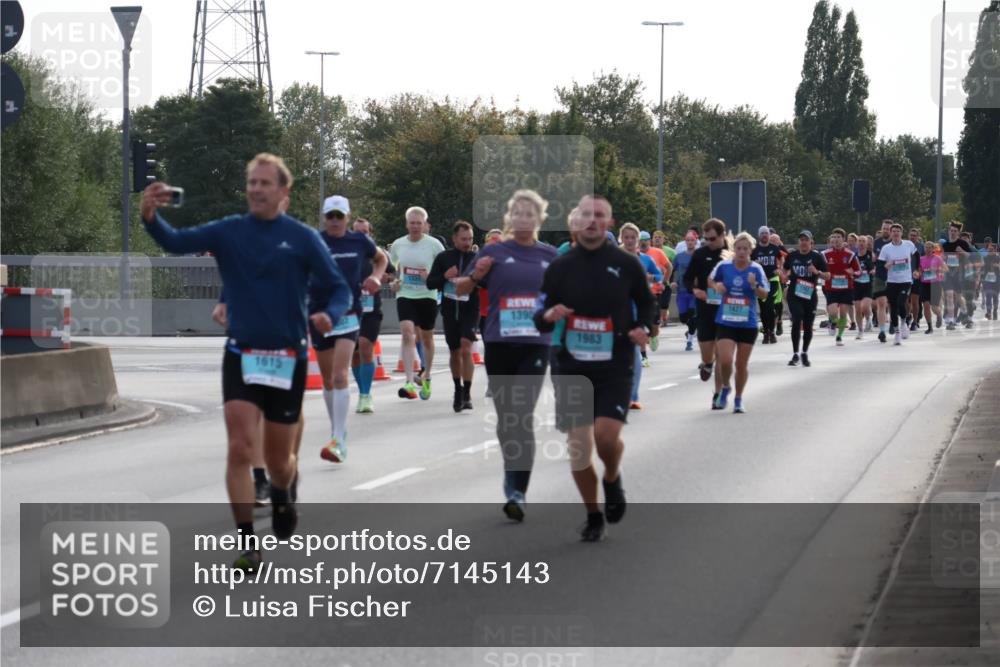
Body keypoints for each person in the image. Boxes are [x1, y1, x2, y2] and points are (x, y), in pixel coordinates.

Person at [140, 154, 352, 571]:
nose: (256, 189)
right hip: (241, 354)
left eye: (264, 183)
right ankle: (248, 544)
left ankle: (283, 491)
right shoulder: (229, 230)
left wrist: (330, 313)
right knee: (239, 447)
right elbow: (176, 242)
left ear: (283, 191)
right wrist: (150, 216)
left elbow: (338, 287)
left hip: (287, 356)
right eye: (252, 182)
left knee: (278, 462)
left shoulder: (302, 238)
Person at [534, 194, 657, 542]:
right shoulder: (560, 266)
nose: (591, 220)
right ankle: (593, 514)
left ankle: (612, 478)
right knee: (578, 449)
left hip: (614, 364)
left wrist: (643, 327)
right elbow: (540, 312)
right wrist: (548, 315)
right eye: (586, 214)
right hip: (572, 365)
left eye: (599, 215)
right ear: (576, 222)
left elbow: (646, 302)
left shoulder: (626, 263)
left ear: (609, 223)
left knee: (605, 438)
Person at [454, 190, 558, 522]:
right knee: (506, 419)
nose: (523, 218)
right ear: (510, 218)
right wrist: (475, 276)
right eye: (518, 213)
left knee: (521, 416)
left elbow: (569, 293)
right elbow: (460, 289)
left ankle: (517, 491)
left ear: (539, 219)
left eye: (530, 214)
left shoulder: (550, 256)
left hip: (536, 344)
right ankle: (511, 468)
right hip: (499, 342)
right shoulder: (493, 252)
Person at [312, 196, 386, 464]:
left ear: (347, 217)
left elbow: (381, 259)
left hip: (349, 314)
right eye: (330, 216)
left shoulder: (359, 241)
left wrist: (375, 277)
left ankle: (338, 440)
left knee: (340, 374)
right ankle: (338, 428)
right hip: (319, 315)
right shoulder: (314, 241)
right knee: (327, 380)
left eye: (339, 216)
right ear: (324, 217)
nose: (334, 221)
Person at [707, 232, 770, 413]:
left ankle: (738, 398)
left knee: (741, 365)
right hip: (726, 321)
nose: (742, 252)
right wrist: (716, 286)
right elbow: (710, 280)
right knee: (725, 360)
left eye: (745, 249)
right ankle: (726, 387)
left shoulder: (756, 269)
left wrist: (754, 285)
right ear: (734, 249)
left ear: (751, 250)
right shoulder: (724, 266)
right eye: (739, 248)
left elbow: (764, 294)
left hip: (747, 324)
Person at [389, 207, 445, 400]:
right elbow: (391, 269)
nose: (415, 226)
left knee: (427, 338)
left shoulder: (434, 245)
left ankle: (427, 376)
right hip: (405, 294)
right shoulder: (398, 244)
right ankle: (408, 382)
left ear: (425, 224)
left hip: (427, 295)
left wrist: (431, 277)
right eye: (412, 223)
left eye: (418, 223)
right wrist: (393, 282)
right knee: (407, 334)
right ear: (407, 224)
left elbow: (444, 270)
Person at [426, 220, 480, 412]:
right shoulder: (444, 258)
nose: (467, 243)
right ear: (455, 238)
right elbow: (430, 283)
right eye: (464, 239)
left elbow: (488, 283)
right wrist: (445, 276)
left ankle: (467, 392)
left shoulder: (477, 258)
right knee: (455, 351)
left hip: (470, 310)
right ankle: (457, 389)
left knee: (466, 347)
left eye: (470, 239)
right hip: (450, 310)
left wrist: (474, 279)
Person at [683, 219, 729, 408]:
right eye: (706, 238)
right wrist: (695, 290)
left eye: (712, 238)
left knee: (722, 354)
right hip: (705, 309)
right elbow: (687, 279)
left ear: (722, 235)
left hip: (726, 310)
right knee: (708, 353)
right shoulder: (700, 254)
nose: (709, 242)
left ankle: (718, 394)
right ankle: (707, 363)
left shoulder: (731, 254)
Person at [351, 217, 395, 414]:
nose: (361, 236)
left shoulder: (379, 254)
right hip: (350, 310)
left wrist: (386, 278)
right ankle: (362, 391)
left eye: (364, 232)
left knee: (366, 347)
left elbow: (392, 274)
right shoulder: (346, 253)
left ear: (371, 234)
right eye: (357, 232)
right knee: (354, 354)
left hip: (371, 310)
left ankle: (366, 394)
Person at [622, 223, 663, 409]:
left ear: (638, 240)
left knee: (635, 354)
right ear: (622, 239)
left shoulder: (646, 260)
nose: (630, 241)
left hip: (637, 310)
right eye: (626, 237)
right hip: (616, 309)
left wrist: (650, 279)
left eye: (633, 237)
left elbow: (659, 276)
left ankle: (633, 396)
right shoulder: (614, 258)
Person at [782, 230, 830, 366]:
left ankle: (804, 352)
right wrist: (785, 275)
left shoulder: (817, 257)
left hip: (810, 295)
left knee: (808, 325)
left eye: (806, 240)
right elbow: (785, 270)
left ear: (811, 242)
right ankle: (795, 353)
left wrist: (817, 272)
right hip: (794, 294)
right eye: (801, 240)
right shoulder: (792, 256)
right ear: (799, 242)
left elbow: (828, 276)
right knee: (797, 319)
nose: (803, 242)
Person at [877, 222, 920, 346]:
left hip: (906, 280)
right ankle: (897, 332)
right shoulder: (886, 248)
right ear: (890, 234)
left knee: (901, 302)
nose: (896, 233)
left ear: (902, 233)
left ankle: (904, 322)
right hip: (891, 281)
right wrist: (886, 266)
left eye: (898, 231)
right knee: (893, 307)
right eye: (893, 231)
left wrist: (916, 270)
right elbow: (880, 265)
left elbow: (917, 256)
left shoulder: (908, 245)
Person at [820, 227, 861, 346]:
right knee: (833, 312)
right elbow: (819, 269)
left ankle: (839, 336)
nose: (836, 239)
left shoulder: (850, 255)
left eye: (838, 237)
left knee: (843, 313)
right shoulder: (825, 254)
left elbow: (859, 272)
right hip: (831, 288)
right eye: (834, 237)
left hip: (846, 289)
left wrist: (853, 273)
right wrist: (821, 274)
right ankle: (833, 322)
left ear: (843, 240)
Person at [751, 225, 784, 344]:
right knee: (764, 308)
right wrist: (755, 262)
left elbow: (781, 258)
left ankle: (771, 332)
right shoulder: (755, 249)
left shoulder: (774, 248)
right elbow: (748, 263)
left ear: (769, 236)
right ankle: (766, 332)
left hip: (773, 280)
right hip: (761, 282)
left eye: (766, 233)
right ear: (759, 236)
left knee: (770, 306)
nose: (764, 235)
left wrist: (779, 268)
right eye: (762, 233)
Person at [671, 231, 698, 351]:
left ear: (696, 241)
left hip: (695, 291)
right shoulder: (679, 256)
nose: (690, 242)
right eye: (688, 240)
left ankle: (690, 340)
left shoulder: (699, 255)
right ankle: (693, 328)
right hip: (682, 290)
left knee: (692, 313)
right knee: (683, 318)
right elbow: (672, 270)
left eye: (692, 240)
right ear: (685, 241)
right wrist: (673, 282)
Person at [641, 230, 673, 334]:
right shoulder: (633, 253)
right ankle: (644, 340)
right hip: (639, 292)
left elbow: (669, 267)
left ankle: (653, 335)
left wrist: (663, 282)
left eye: (645, 240)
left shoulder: (658, 252)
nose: (643, 243)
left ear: (649, 241)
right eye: (641, 240)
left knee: (655, 323)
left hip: (655, 291)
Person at [919, 241, 946, 334]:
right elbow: (919, 271)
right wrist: (918, 273)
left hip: (935, 284)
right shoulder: (921, 259)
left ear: (933, 249)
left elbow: (946, 269)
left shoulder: (938, 258)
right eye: (926, 247)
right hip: (924, 284)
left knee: (934, 307)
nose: (928, 249)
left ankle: (939, 315)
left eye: (930, 247)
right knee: (926, 305)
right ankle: (930, 327)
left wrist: (938, 269)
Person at [872, 220, 893, 337]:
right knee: (881, 303)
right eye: (884, 228)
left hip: (893, 276)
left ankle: (893, 321)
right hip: (880, 276)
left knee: (892, 303)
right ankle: (882, 330)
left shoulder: (895, 243)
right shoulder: (877, 242)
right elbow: (875, 258)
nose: (885, 231)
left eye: (888, 229)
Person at [853, 235, 875, 340]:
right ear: (857, 243)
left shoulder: (871, 255)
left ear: (867, 244)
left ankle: (869, 318)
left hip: (868, 284)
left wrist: (874, 270)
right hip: (856, 285)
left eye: (863, 241)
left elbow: (876, 267)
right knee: (858, 309)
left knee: (865, 306)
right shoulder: (853, 256)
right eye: (859, 241)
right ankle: (860, 330)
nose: (861, 243)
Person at [907, 228, 926, 331]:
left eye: (914, 235)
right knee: (905, 300)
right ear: (908, 236)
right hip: (905, 276)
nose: (912, 237)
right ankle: (907, 316)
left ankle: (915, 321)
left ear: (918, 236)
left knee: (915, 301)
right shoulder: (904, 245)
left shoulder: (921, 247)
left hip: (917, 277)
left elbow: (925, 261)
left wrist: (920, 272)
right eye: (911, 235)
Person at [982, 242, 998, 320]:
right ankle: (989, 312)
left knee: (995, 296)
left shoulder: (998, 258)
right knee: (988, 295)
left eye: (991, 249)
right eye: (988, 249)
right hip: (987, 279)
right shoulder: (984, 258)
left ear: (995, 250)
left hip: (997, 280)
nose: (989, 251)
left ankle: (995, 311)